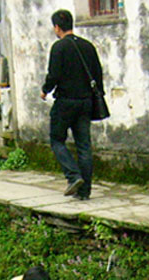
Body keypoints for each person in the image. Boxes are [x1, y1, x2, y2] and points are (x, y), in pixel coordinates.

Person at [41, 9, 104, 201]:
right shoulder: (88, 47)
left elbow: (54, 75)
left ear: (57, 27)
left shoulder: (59, 48)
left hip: (66, 101)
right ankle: (84, 192)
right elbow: (98, 73)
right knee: (84, 145)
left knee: (56, 140)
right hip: (85, 101)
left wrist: (45, 90)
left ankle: (73, 176)